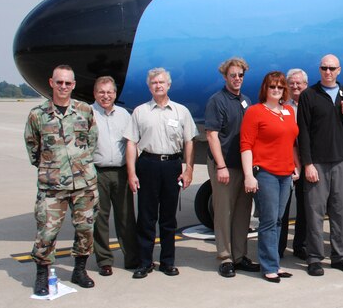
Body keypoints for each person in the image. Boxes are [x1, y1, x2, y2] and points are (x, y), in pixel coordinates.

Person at [24, 65, 98, 295]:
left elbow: (92, 141)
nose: (63, 87)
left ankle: (79, 271)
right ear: (51, 83)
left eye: (68, 83)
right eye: (59, 82)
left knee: (85, 229)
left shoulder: (84, 110)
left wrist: (80, 164)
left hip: (83, 183)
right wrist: (51, 168)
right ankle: (42, 276)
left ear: (73, 85)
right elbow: (32, 146)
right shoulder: (38, 114)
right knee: (47, 232)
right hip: (52, 186)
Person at [125, 68, 197, 279]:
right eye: (154, 83)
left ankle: (167, 262)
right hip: (147, 163)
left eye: (162, 82)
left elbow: (189, 141)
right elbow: (131, 142)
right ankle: (145, 262)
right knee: (146, 217)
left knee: (168, 218)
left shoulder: (181, 111)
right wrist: (131, 172)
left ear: (169, 85)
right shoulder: (140, 111)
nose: (158, 85)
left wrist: (189, 169)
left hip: (172, 165)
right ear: (149, 87)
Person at [297, 54, 343, 276]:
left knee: (340, 212)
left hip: (340, 161)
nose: (328, 71)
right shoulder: (309, 95)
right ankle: (314, 258)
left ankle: (340, 256)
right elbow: (303, 132)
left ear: (339, 70)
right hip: (317, 163)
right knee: (314, 213)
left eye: (332, 68)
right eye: (324, 67)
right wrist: (307, 164)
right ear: (319, 69)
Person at [242, 71, 301, 282]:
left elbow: (291, 142)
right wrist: (249, 175)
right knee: (268, 221)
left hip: (286, 174)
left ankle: (274, 262)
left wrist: (296, 165)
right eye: (272, 87)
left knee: (278, 220)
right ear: (265, 89)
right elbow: (246, 145)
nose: (276, 90)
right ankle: (269, 266)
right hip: (265, 173)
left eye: (280, 87)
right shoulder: (255, 112)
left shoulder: (287, 112)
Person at [204, 57, 259, 277]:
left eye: (240, 75)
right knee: (224, 212)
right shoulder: (217, 101)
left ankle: (240, 256)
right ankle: (225, 258)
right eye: (233, 75)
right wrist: (220, 166)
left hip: (243, 165)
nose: (237, 79)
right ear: (225, 77)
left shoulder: (245, 100)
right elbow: (212, 135)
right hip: (225, 164)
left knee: (242, 213)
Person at [91, 75, 139, 277]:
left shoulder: (124, 115)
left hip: (120, 172)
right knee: (100, 218)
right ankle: (104, 261)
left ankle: (132, 258)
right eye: (101, 92)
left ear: (115, 94)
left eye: (110, 92)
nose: (106, 96)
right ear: (95, 94)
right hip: (97, 172)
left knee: (126, 216)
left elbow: (131, 144)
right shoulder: (87, 114)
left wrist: (132, 171)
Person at [280, 68, 308, 259]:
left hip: (307, 163)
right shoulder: (282, 108)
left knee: (305, 208)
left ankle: (301, 246)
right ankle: (279, 247)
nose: (295, 86)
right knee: (282, 208)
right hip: (286, 163)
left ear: (305, 85)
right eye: (292, 83)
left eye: (299, 83)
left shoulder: (311, 104)